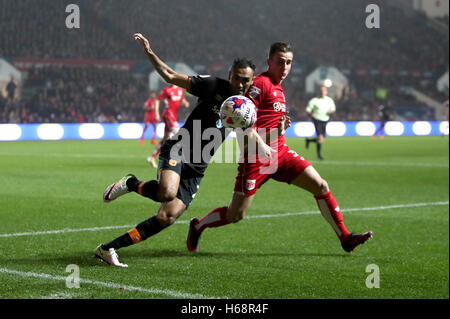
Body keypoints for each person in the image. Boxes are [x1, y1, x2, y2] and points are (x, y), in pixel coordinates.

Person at [94, 33, 272, 267]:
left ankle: (108, 249)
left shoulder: (246, 105)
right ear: (230, 74)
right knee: (166, 193)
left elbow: (246, 130)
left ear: (252, 81)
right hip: (179, 148)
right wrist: (149, 52)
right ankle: (130, 184)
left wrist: (263, 147)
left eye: (246, 80)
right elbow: (169, 75)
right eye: (237, 78)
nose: (241, 84)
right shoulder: (212, 86)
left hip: (198, 166)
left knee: (166, 217)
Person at [187, 42, 372, 254]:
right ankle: (198, 225)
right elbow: (242, 122)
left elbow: (265, 123)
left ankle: (345, 237)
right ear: (269, 62)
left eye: (289, 63)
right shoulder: (260, 85)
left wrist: (279, 129)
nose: (284, 67)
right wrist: (262, 145)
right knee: (235, 215)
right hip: (255, 159)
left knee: (321, 186)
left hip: (280, 153)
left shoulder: (278, 87)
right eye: (280, 62)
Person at [147, 84, 190, 167]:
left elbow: (182, 101)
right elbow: (157, 100)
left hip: (173, 115)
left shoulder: (180, 90)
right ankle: (180, 159)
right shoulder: (166, 90)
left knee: (165, 140)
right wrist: (156, 113)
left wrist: (185, 103)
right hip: (168, 114)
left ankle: (152, 157)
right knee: (178, 133)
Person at [305, 85, 335, 160]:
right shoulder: (314, 100)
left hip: (326, 120)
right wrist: (312, 114)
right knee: (320, 138)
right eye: (321, 90)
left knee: (322, 138)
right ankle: (319, 156)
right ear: (319, 91)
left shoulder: (329, 100)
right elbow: (308, 110)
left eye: (324, 90)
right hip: (317, 120)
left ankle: (308, 140)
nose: (322, 92)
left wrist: (330, 111)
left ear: (326, 92)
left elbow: (333, 109)